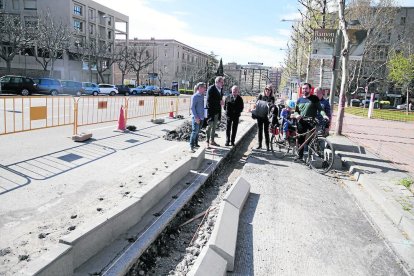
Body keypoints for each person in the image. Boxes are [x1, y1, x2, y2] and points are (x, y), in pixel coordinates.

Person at [294, 83, 329, 162]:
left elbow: (320, 109)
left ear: (310, 89)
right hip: (301, 122)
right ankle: (300, 156)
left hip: (311, 122)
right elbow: (296, 111)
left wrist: (324, 116)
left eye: (306, 88)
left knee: (312, 141)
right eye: (303, 88)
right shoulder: (299, 100)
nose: (304, 90)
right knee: (301, 139)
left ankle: (311, 159)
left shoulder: (314, 98)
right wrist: (296, 115)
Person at [255, 85, 277, 151]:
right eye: (266, 89)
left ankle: (267, 146)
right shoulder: (261, 96)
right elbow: (256, 104)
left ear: (271, 91)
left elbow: (272, 107)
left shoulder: (272, 98)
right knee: (260, 130)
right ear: (264, 90)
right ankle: (259, 144)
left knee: (266, 131)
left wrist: (272, 107)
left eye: (269, 90)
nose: (267, 91)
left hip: (267, 116)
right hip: (260, 115)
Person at [205, 76, 224, 148]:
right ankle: (207, 141)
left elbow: (220, 98)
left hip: (217, 111)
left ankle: (212, 141)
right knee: (209, 126)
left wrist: (222, 102)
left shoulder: (221, 89)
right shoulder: (211, 88)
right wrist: (219, 102)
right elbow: (209, 101)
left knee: (214, 127)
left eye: (223, 82)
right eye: (221, 82)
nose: (222, 84)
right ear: (217, 82)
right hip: (211, 111)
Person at [189, 82, 206, 153]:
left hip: (202, 117)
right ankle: (191, 146)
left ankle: (196, 144)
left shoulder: (202, 96)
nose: (205, 89)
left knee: (198, 131)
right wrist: (196, 117)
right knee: (194, 131)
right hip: (196, 117)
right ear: (200, 88)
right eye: (204, 87)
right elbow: (192, 108)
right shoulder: (195, 96)